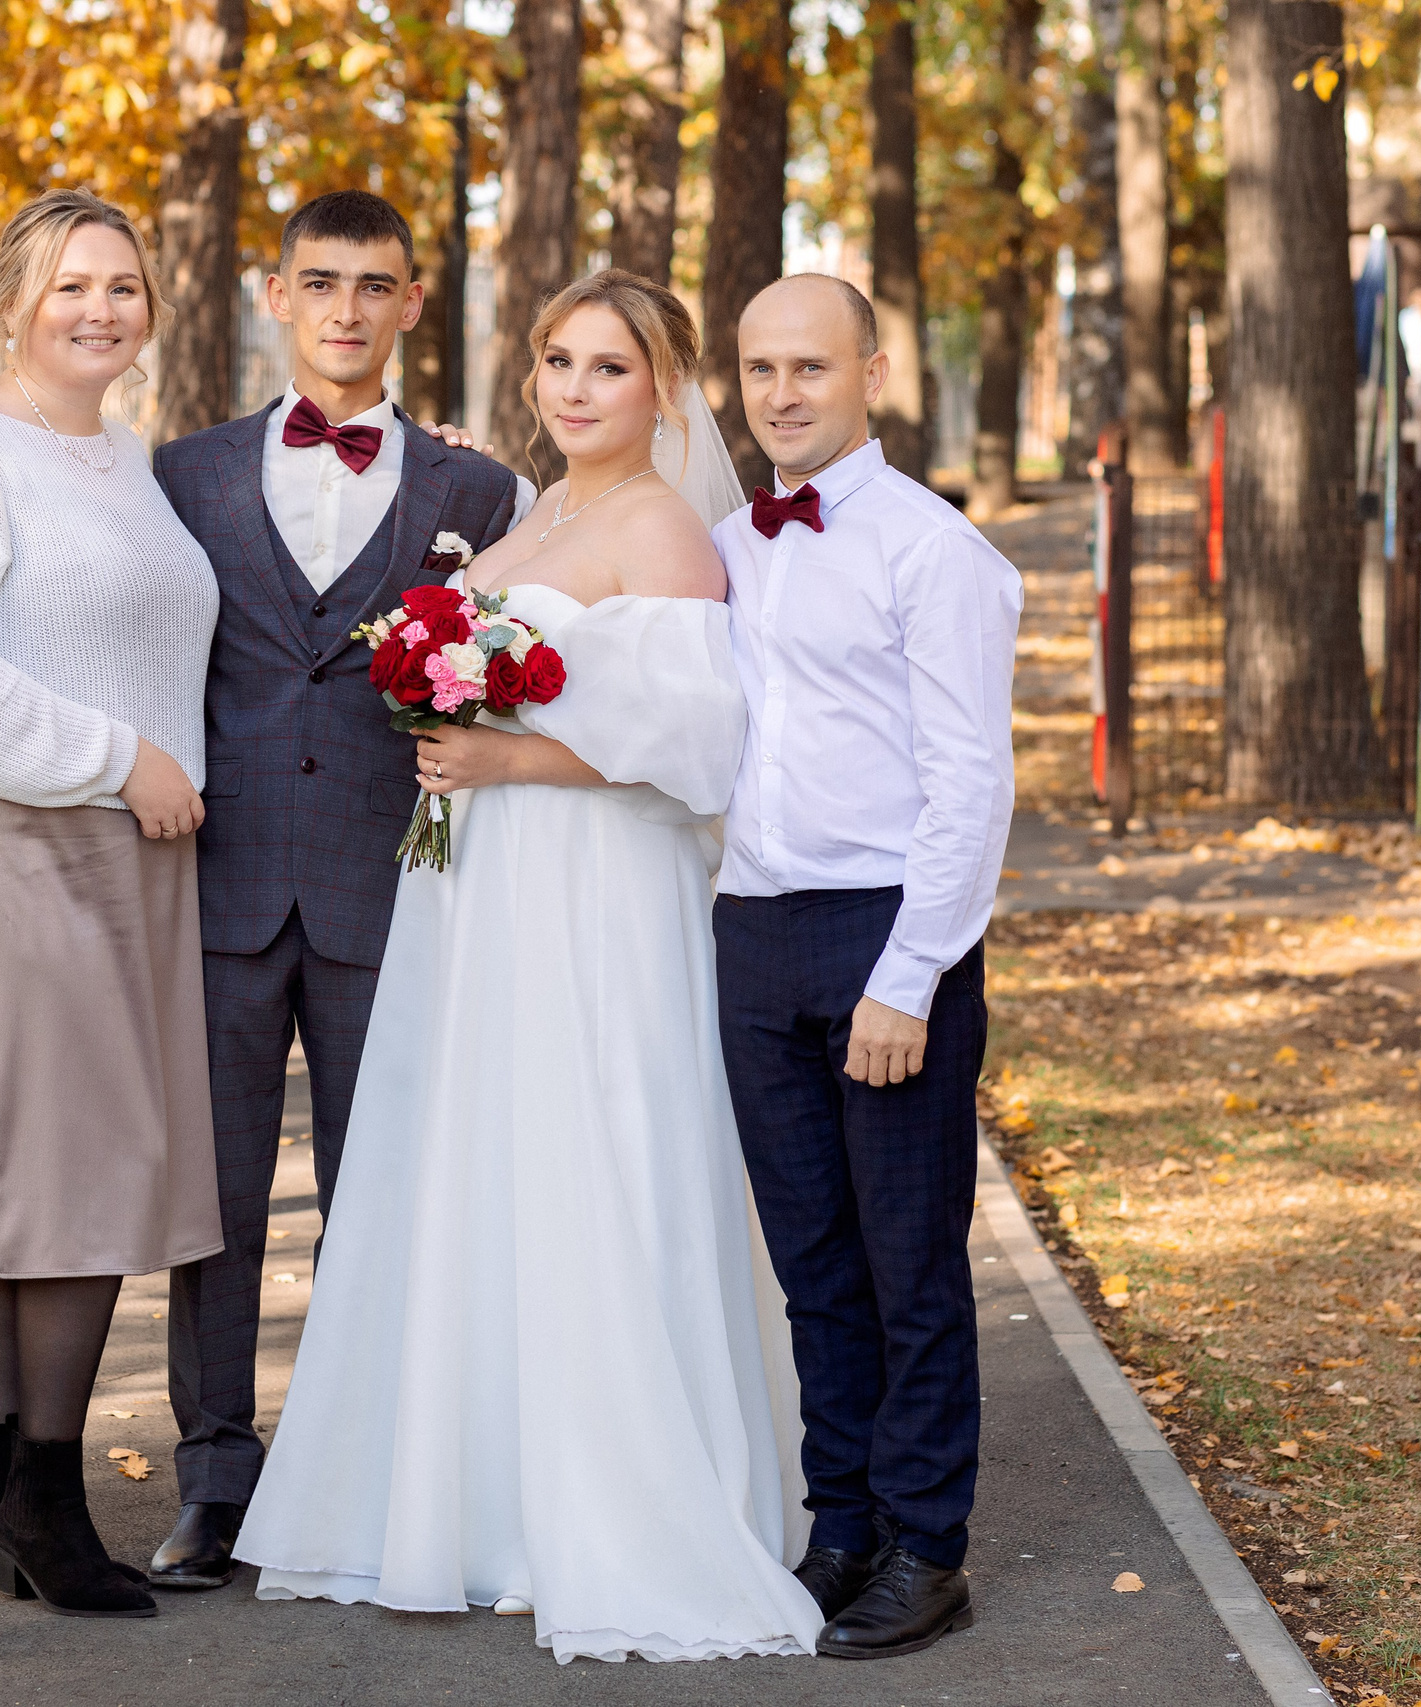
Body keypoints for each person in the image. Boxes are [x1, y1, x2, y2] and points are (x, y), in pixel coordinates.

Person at [231, 268, 826, 1664]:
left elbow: (698, 750)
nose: (574, 389)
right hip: (481, 886)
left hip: (595, 889)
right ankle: (481, 1498)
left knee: (592, 1154)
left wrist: (512, 756)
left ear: (662, 388)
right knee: (483, 1161)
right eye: (557, 361)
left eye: (608, 368)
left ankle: (617, 1502)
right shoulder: (528, 513)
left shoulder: (666, 531)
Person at [147, 190, 530, 1591]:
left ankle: (377, 1470)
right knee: (220, 1203)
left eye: (377, 285)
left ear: (414, 303)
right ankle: (214, 1482)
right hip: (224, 884)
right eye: (324, 282)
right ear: (276, 294)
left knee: (384, 1198)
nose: (348, 310)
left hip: (396, 892)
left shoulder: (478, 494)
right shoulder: (178, 476)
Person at [0, 188, 220, 1620]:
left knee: (31, 1165)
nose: (101, 307)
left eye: (125, 286)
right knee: (73, 1168)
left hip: (121, 842)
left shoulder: (120, 455)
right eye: (72, 283)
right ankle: (49, 1502)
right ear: (13, 299)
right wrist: (117, 757)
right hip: (19, 827)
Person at [711, 275, 1020, 1659]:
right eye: (763, 368)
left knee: (910, 1262)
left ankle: (928, 1545)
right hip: (754, 930)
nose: (784, 393)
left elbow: (972, 784)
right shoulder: (729, 541)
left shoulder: (931, 548)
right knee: (814, 1265)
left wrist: (909, 976)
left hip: (888, 932)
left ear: (871, 373)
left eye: (811, 368)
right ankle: (841, 1526)